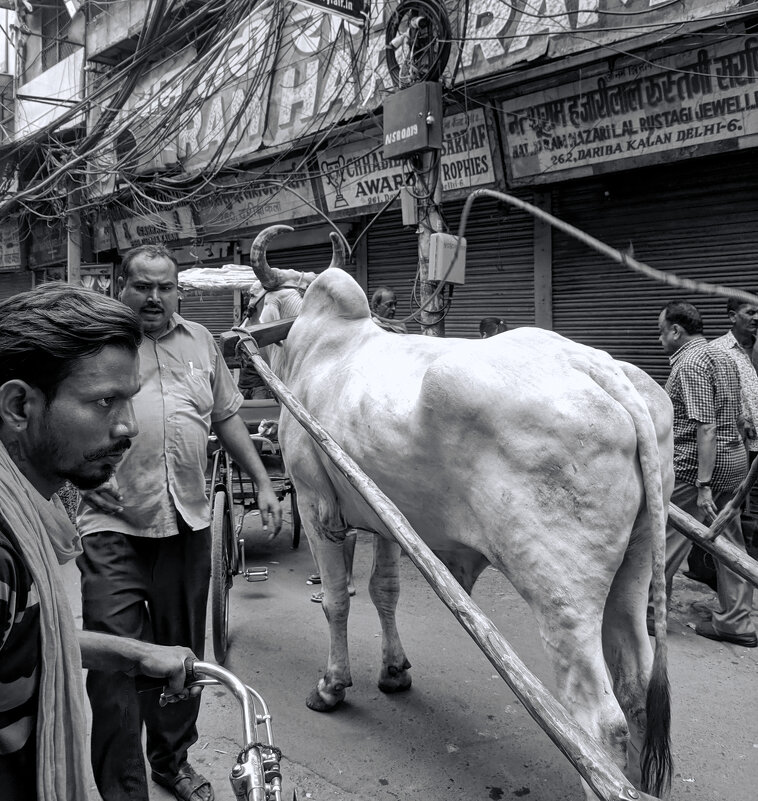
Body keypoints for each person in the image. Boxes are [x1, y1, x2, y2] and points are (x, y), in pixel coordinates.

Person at [76, 245, 283, 801]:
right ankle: (124, 787)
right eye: (143, 286)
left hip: (188, 522)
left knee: (181, 657)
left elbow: (226, 416)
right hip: (112, 524)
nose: (154, 297)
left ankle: (170, 760)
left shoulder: (202, 343)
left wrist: (263, 481)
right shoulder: (97, 343)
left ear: (178, 291)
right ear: (121, 286)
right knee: (116, 664)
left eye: (165, 287)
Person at [0, 283, 199, 801]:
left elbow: (27, 644)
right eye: (105, 401)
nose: (128, 426)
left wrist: (133, 654)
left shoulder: (26, 513)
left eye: (129, 399)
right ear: (19, 405)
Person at [651, 300, 756, 647]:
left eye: (661, 331)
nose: (660, 339)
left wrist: (704, 485)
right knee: (729, 543)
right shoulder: (724, 355)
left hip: (695, 469)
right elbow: (742, 418)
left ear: (677, 331)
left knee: (668, 536)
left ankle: (651, 611)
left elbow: (706, 427)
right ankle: (737, 623)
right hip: (734, 461)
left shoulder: (691, 363)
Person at [687, 296, 758, 587]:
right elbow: (712, 412)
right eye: (750, 311)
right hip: (737, 446)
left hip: (747, 450)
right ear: (732, 317)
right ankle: (707, 569)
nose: (756, 317)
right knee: (724, 514)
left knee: (736, 516)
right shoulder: (716, 352)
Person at [237, 286, 272, 400]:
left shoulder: (265, 324)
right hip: (243, 383)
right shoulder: (244, 326)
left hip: (259, 384)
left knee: (260, 414)